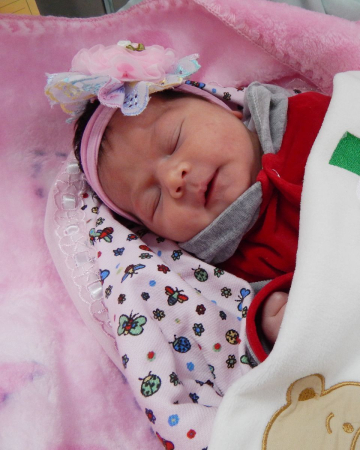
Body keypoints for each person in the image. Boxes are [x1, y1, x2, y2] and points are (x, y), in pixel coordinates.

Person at [48, 42, 330, 358]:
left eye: (174, 141)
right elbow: (235, 345)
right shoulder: (226, 276)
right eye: (153, 199)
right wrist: (268, 322)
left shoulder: (308, 116)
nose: (173, 179)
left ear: (226, 109)